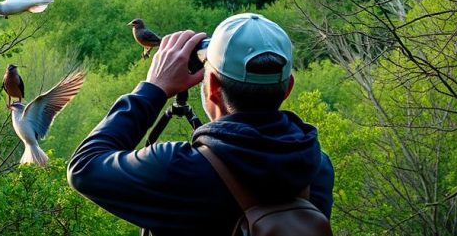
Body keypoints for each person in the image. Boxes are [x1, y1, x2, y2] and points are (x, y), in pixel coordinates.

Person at [67, 13, 333, 235]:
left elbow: (84, 167)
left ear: (213, 86)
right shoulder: (316, 166)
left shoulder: (176, 169)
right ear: (288, 88)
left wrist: (154, 87)